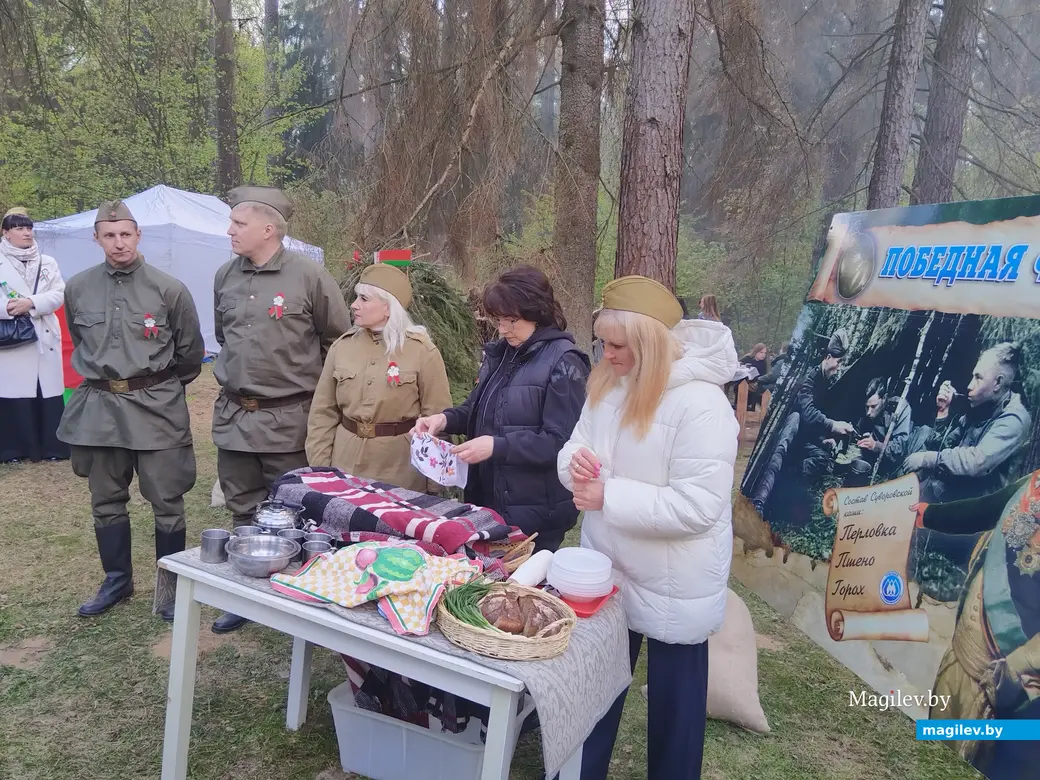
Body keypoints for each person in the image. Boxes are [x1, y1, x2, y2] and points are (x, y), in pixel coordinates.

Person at [557, 275, 739, 780]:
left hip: (675, 582)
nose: (607, 355)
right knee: (595, 694)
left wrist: (608, 495)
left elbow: (698, 506)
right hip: (609, 570)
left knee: (676, 716)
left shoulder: (702, 405)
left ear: (650, 346)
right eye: (603, 343)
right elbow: (574, 446)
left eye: (618, 346)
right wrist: (576, 466)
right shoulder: (609, 386)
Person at [211, 186, 352, 634]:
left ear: (268, 229)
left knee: (293, 507)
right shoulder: (224, 276)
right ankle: (245, 595)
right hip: (235, 416)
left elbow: (339, 342)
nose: (230, 231)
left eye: (239, 223)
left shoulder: (309, 277)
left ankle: (296, 593)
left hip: (290, 418)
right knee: (242, 507)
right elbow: (223, 336)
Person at [58, 200, 204, 620]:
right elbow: (80, 339)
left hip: (155, 406)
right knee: (105, 499)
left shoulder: (167, 288)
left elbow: (189, 353)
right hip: (100, 409)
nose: (118, 243)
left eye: (126, 234)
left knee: (167, 499)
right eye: (109, 235)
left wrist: (152, 385)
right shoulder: (79, 287)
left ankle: (170, 589)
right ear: (97, 238)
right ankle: (117, 582)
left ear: (138, 236)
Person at [412, 265, 590, 553]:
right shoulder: (502, 354)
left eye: (512, 320)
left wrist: (498, 446)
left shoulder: (565, 362)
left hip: (536, 514)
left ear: (537, 313)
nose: (502, 329)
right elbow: (477, 410)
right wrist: (442, 420)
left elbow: (560, 442)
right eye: (499, 320)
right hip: (488, 501)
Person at [912, 471, 1040, 780]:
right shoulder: (1034, 483)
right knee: (936, 753)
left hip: (1012, 682)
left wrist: (1018, 666)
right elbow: (986, 508)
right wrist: (927, 514)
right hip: (965, 654)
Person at [306, 263, 452, 490]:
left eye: (364, 299)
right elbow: (322, 414)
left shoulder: (422, 351)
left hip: (400, 470)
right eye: (356, 298)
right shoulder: (342, 347)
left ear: (387, 307)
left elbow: (437, 417)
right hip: (346, 466)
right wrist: (322, 470)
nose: (354, 305)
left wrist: (433, 486)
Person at [902, 343, 1031, 504]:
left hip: (976, 512)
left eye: (978, 378)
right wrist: (943, 411)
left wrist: (928, 459)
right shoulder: (982, 407)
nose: (969, 385)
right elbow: (945, 444)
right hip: (950, 492)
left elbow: (977, 462)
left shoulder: (1014, 418)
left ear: (998, 382)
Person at [748, 330, 855, 512]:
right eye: (838, 362)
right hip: (786, 432)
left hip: (802, 439)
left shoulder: (823, 380)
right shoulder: (809, 378)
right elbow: (808, 413)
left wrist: (823, 439)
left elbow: (813, 422)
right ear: (828, 357)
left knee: (822, 459)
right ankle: (760, 501)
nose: (838, 368)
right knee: (778, 456)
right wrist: (834, 425)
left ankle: (785, 487)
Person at [0, 207, 69, 463]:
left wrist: (32, 302)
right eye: (19, 228)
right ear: (5, 233)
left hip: (44, 333)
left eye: (29, 227)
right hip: (12, 336)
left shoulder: (47, 261)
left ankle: (53, 447)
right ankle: (12, 450)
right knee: (13, 393)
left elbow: (60, 293)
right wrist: (7, 308)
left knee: (46, 392)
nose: (26, 232)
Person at [856, 377, 912, 474]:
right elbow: (859, 429)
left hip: (900, 459)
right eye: (866, 407)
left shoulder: (900, 408)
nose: (868, 413)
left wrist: (875, 445)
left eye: (873, 406)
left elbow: (899, 449)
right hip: (876, 456)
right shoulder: (869, 409)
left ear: (885, 398)